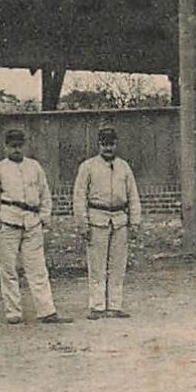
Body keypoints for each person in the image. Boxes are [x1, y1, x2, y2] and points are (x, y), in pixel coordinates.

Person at [0, 129, 70, 325]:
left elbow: (45, 195)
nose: (16, 149)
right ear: (5, 147)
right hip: (7, 222)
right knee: (8, 270)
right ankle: (13, 311)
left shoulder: (34, 167)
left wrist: (44, 218)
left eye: (19, 145)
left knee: (38, 268)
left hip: (31, 222)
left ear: (24, 146)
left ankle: (46, 310)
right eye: (12, 146)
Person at [72, 126, 142, 319]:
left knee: (118, 265)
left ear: (116, 144)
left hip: (119, 220)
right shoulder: (88, 167)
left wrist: (135, 222)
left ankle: (115, 305)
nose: (108, 148)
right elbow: (79, 197)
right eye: (104, 144)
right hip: (97, 219)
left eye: (111, 144)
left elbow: (133, 196)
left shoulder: (124, 167)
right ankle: (97, 306)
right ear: (98, 145)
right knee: (97, 265)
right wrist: (82, 223)